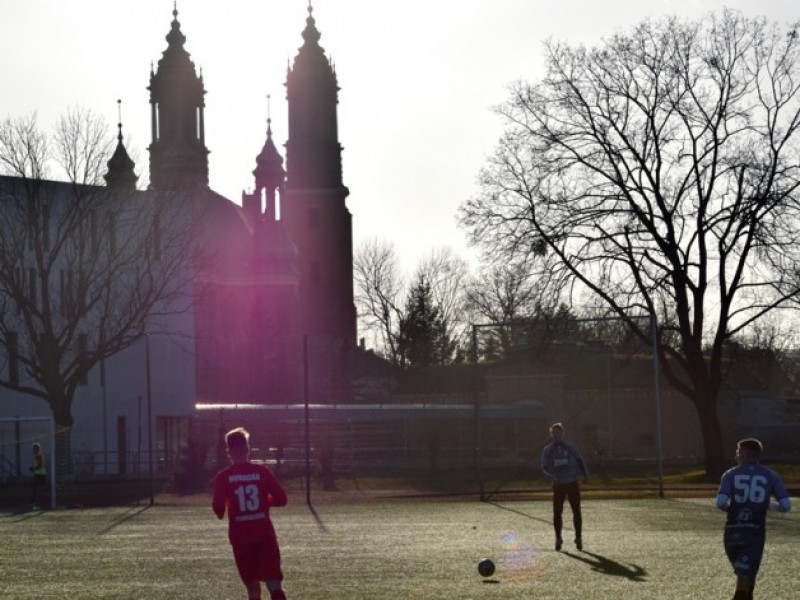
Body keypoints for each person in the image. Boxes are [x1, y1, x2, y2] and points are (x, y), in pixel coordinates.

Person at [213, 427, 289, 600]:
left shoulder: (224, 477)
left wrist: (223, 510)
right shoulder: (262, 472)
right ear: (248, 449)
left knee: (253, 590)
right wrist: (264, 502)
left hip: (241, 538)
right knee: (274, 583)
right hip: (264, 534)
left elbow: (218, 508)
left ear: (229, 452)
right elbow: (282, 499)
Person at [716, 438, 791, 600]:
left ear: (743, 454)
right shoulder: (771, 475)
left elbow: (721, 503)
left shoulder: (730, 474)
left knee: (746, 575)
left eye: (738, 453)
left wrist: (734, 510)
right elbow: (786, 505)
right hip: (754, 533)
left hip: (731, 532)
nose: (736, 456)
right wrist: (768, 505)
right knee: (745, 576)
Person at [540, 422, 588, 551]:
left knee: (576, 511)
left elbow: (579, 459)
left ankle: (578, 537)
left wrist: (585, 474)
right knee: (557, 512)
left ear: (563, 433)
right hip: (558, 485)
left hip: (572, 483)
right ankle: (558, 538)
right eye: (554, 433)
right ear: (551, 434)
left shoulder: (570, 447)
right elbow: (544, 467)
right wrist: (552, 476)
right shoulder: (548, 449)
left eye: (559, 433)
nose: (556, 435)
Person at [30, 442, 47, 509]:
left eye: (33, 448)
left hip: (40, 474)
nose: (32, 450)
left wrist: (33, 468)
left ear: (37, 449)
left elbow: (40, 465)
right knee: (35, 489)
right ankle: (33, 503)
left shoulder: (38, 455)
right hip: (38, 474)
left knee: (35, 489)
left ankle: (34, 504)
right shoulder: (36, 456)